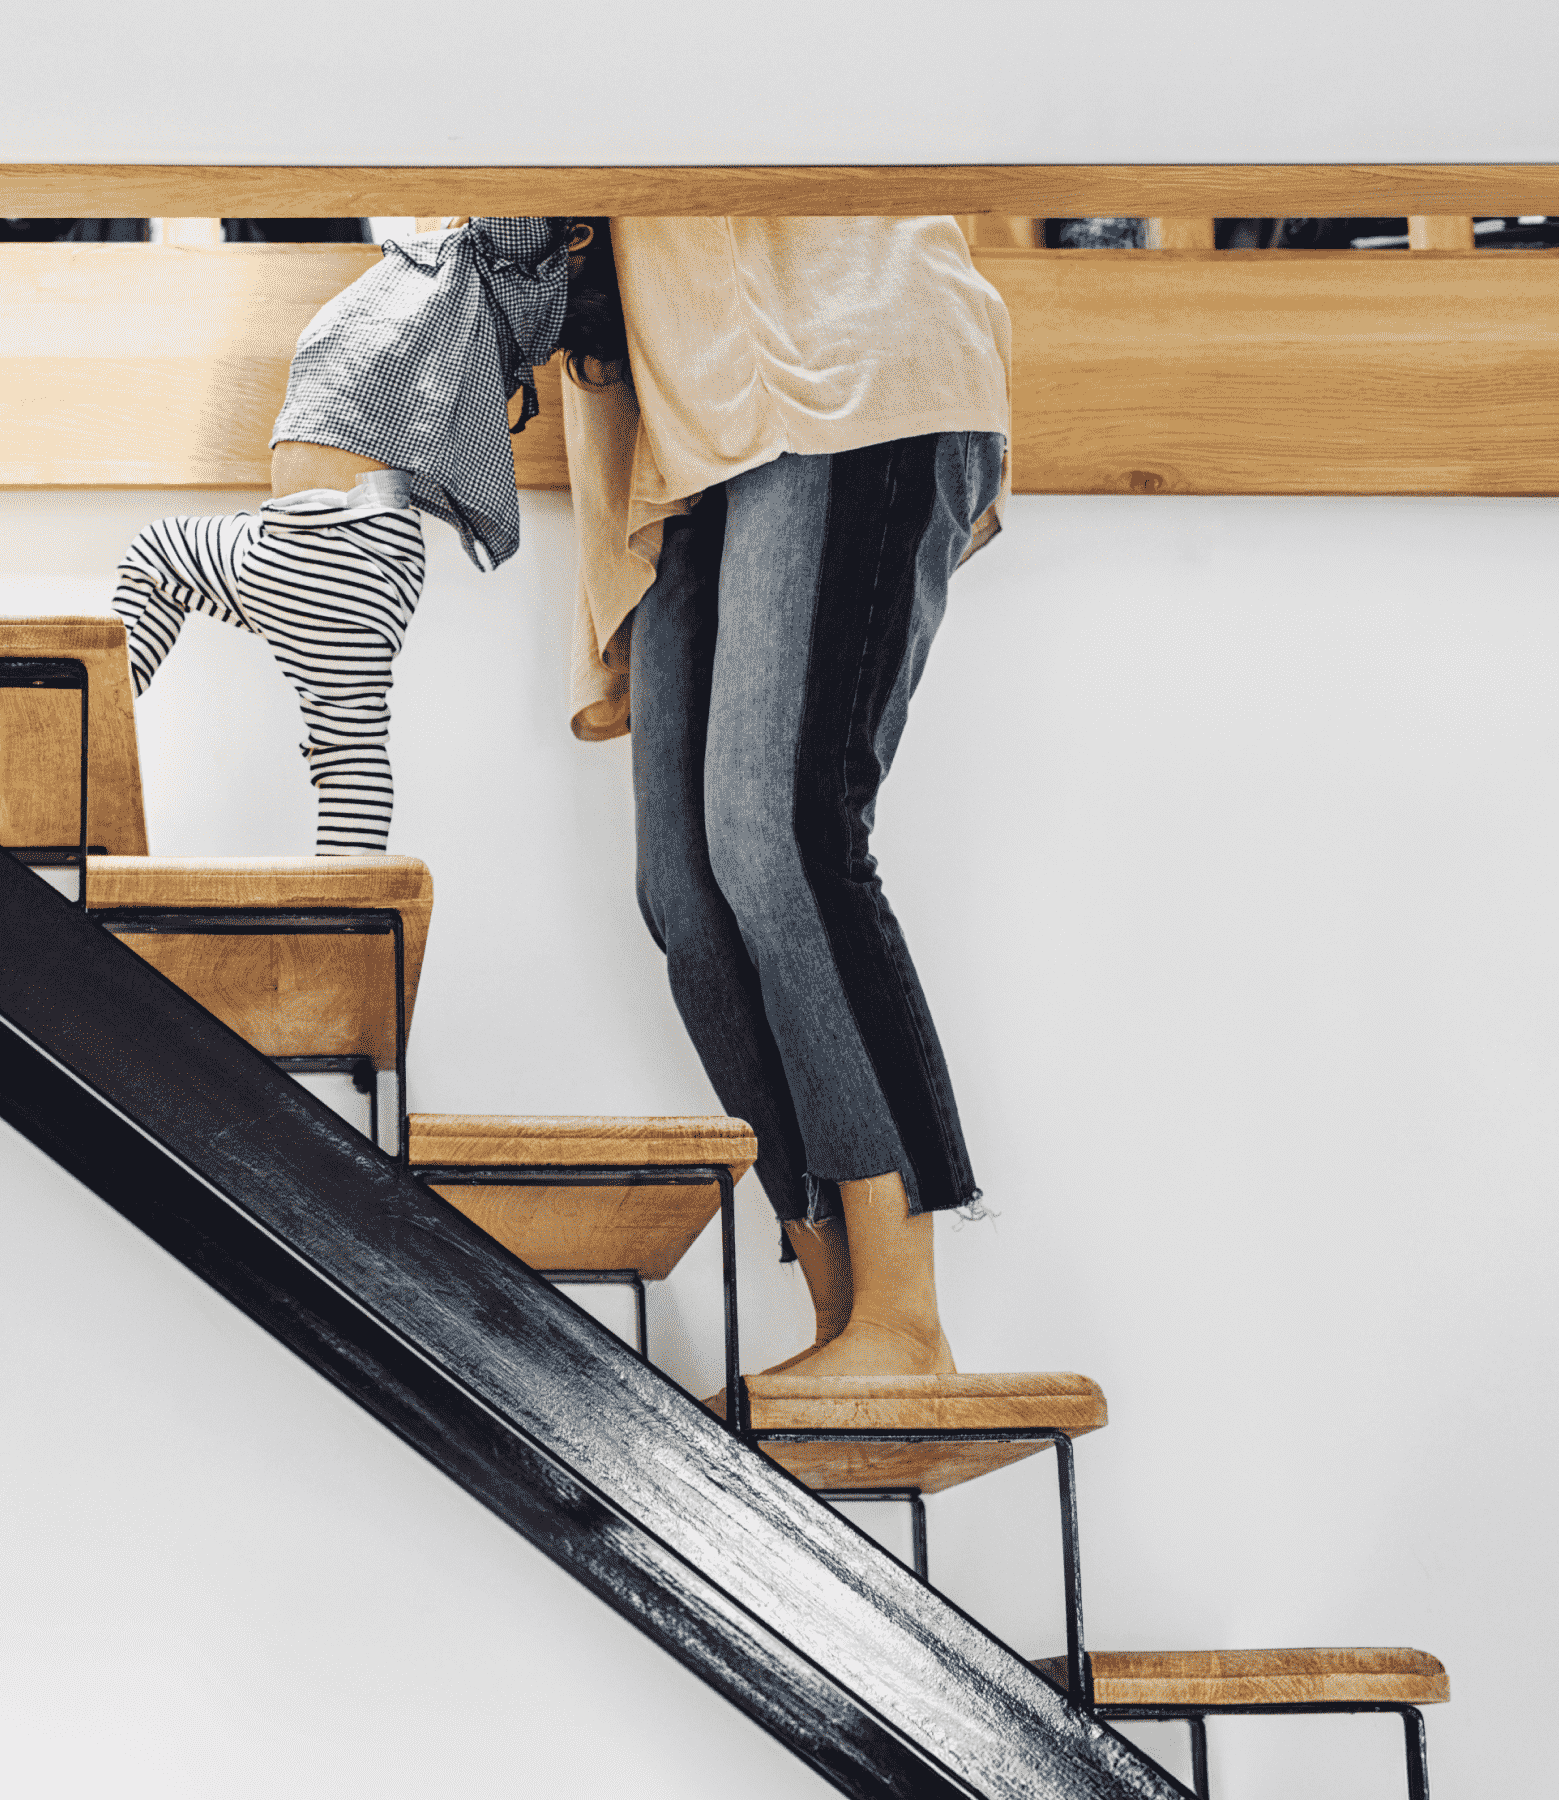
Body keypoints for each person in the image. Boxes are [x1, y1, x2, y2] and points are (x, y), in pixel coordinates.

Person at [559, 218, 1013, 1382]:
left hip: (845, 378)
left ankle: (902, 1320)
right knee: (687, 899)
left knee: (780, 841)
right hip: (687, 431)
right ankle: (841, 1316)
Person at [110, 217, 578, 854]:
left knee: (348, 748)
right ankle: (347, 895)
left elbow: (524, 205)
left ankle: (87, 719)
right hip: (320, 539)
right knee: (347, 745)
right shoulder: (449, 272)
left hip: (337, 541)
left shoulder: (488, 263)